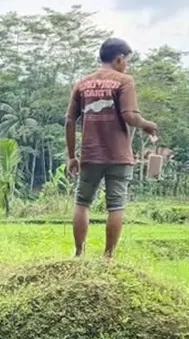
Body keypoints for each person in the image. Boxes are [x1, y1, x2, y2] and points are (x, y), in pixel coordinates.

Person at [65, 37, 158, 260]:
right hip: (118, 156)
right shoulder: (124, 81)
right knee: (115, 205)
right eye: (127, 60)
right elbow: (129, 115)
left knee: (82, 202)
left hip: (90, 154)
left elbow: (69, 120)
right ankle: (108, 257)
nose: (126, 65)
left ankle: (79, 253)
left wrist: (71, 156)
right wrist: (147, 125)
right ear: (119, 58)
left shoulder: (82, 83)